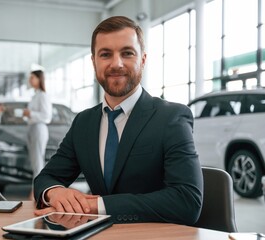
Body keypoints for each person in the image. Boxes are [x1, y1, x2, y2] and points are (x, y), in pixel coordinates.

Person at [33, 16, 203, 225]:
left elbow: (187, 201)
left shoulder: (172, 118)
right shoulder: (83, 122)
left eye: (127, 53)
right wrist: (55, 192)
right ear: (94, 61)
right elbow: (45, 178)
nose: (116, 63)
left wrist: (97, 206)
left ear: (142, 59)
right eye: (105, 54)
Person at [23, 70, 52, 179]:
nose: (30, 80)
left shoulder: (43, 95)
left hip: (39, 128)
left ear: (39, 79)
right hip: (32, 128)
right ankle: (36, 189)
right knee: (35, 162)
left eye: (32, 78)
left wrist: (30, 113)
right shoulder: (35, 95)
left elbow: (46, 116)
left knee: (38, 161)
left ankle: (37, 191)